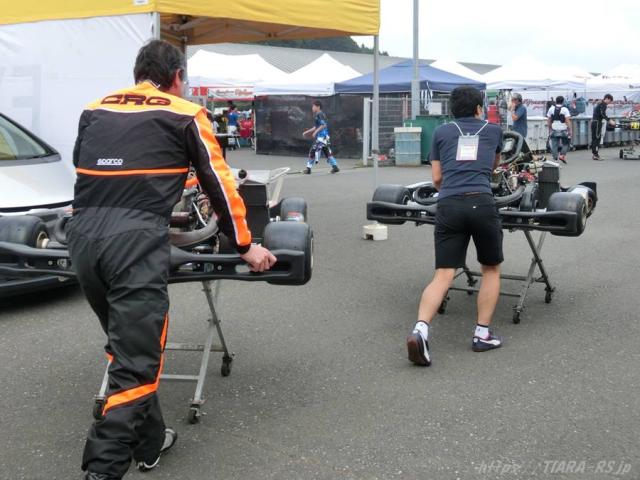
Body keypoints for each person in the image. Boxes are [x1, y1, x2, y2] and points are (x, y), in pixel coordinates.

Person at [69, 40, 276, 480]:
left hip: (83, 238)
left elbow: (85, 169)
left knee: (127, 348)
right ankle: (102, 470)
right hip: (135, 246)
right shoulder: (186, 113)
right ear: (178, 76)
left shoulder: (94, 109)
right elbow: (220, 186)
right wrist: (246, 245)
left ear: (137, 74)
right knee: (137, 365)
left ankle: (150, 442)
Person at [406, 86, 504, 367]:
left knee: (443, 274)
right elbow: (493, 167)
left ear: (452, 109)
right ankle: (482, 334)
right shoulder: (494, 130)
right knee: (490, 269)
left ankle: (420, 330)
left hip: (448, 204)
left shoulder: (441, 132)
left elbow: (437, 178)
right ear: (479, 108)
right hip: (481, 202)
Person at [302, 100, 339, 174]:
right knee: (327, 152)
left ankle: (308, 169)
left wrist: (315, 132)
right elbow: (316, 127)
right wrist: (307, 132)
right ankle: (335, 167)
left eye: (313, 106)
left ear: (318, 107)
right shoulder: (318, 114)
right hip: (324, 138)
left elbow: (323, 125)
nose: (312, 108)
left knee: (312, 151)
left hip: (321, 137)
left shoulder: (320, 114)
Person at [546, 96, 572, 164]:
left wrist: (550, 129)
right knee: (566, 143)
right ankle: (562, 155)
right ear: (563, 101)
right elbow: (567, 120)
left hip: (554, 129)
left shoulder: (551, 109)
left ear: (556, 101)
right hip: (563, 129)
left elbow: (549, 120)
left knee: (554, 144)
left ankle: (555, 159)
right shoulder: (565, 109)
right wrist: (570, 130)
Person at [591, 94, 615, 161]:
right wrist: (609, 120)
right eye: (609, 101)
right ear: (607, 98)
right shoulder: (603, 104)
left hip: (594, 122)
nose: (609, 102)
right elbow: (602, 114)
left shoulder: (600, 103)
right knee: (597, 138)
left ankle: (594, 154)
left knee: (594, 138)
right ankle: (596, 155)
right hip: (597, 122)